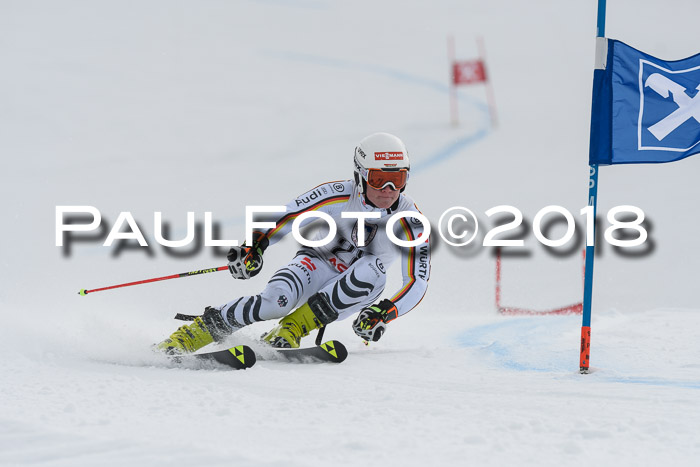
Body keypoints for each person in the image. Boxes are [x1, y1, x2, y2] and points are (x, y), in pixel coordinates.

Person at [156, 132, 430, 354]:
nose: (388, 191)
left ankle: (294, 327)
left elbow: (417, 281)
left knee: (371, 268)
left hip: (361, 288)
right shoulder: (337, 194)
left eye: (398, 180)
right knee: (275, 302)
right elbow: (288, 214)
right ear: (360, 175)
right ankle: (195, 333)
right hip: (317, 262)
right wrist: (256, 245)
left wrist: (385, 312)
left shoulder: (410, 220)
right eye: (380, 180)